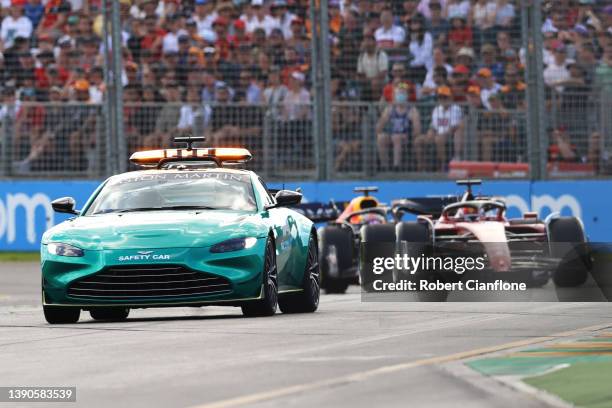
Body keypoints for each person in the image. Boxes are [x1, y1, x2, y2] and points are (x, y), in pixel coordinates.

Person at [414, 85, 463, 171]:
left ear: (450, 97)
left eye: (445, 97)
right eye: (440, 97)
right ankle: (421, 167)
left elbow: (454, 127)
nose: (442, 99)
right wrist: (430, 133)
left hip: (450, 135)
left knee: (439, 139)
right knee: (418, 140)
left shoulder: (456, 109)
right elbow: (433, 126)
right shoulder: (437, 109)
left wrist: (442, 134)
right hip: (437, 134)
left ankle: (443, 166)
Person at [376, 84, 421, 170]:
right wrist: (379, 130)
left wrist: (410, 136)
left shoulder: (412, 110)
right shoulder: (389, 109)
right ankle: (384, 166)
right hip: (392, 135)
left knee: (397, 138)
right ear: (394, 95)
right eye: (399, 93)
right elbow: (379, 126)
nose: (401, 95)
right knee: (381, 138)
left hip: (405, 137)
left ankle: (396, 166)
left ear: (407, 95)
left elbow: (417, 130)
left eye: (403, 93)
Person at [357, 33, 389, 100]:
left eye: (369, 41)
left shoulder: (381, 54)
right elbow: (360, 73)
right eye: (365, 41)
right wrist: (367, 80)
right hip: (367, 81)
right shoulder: (361, 56)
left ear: (375, 43)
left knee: (374, 84)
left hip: (381, 81)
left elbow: (383, 73)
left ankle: (376, 106)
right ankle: (363, 108)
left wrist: (372, 80)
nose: (367, 44)